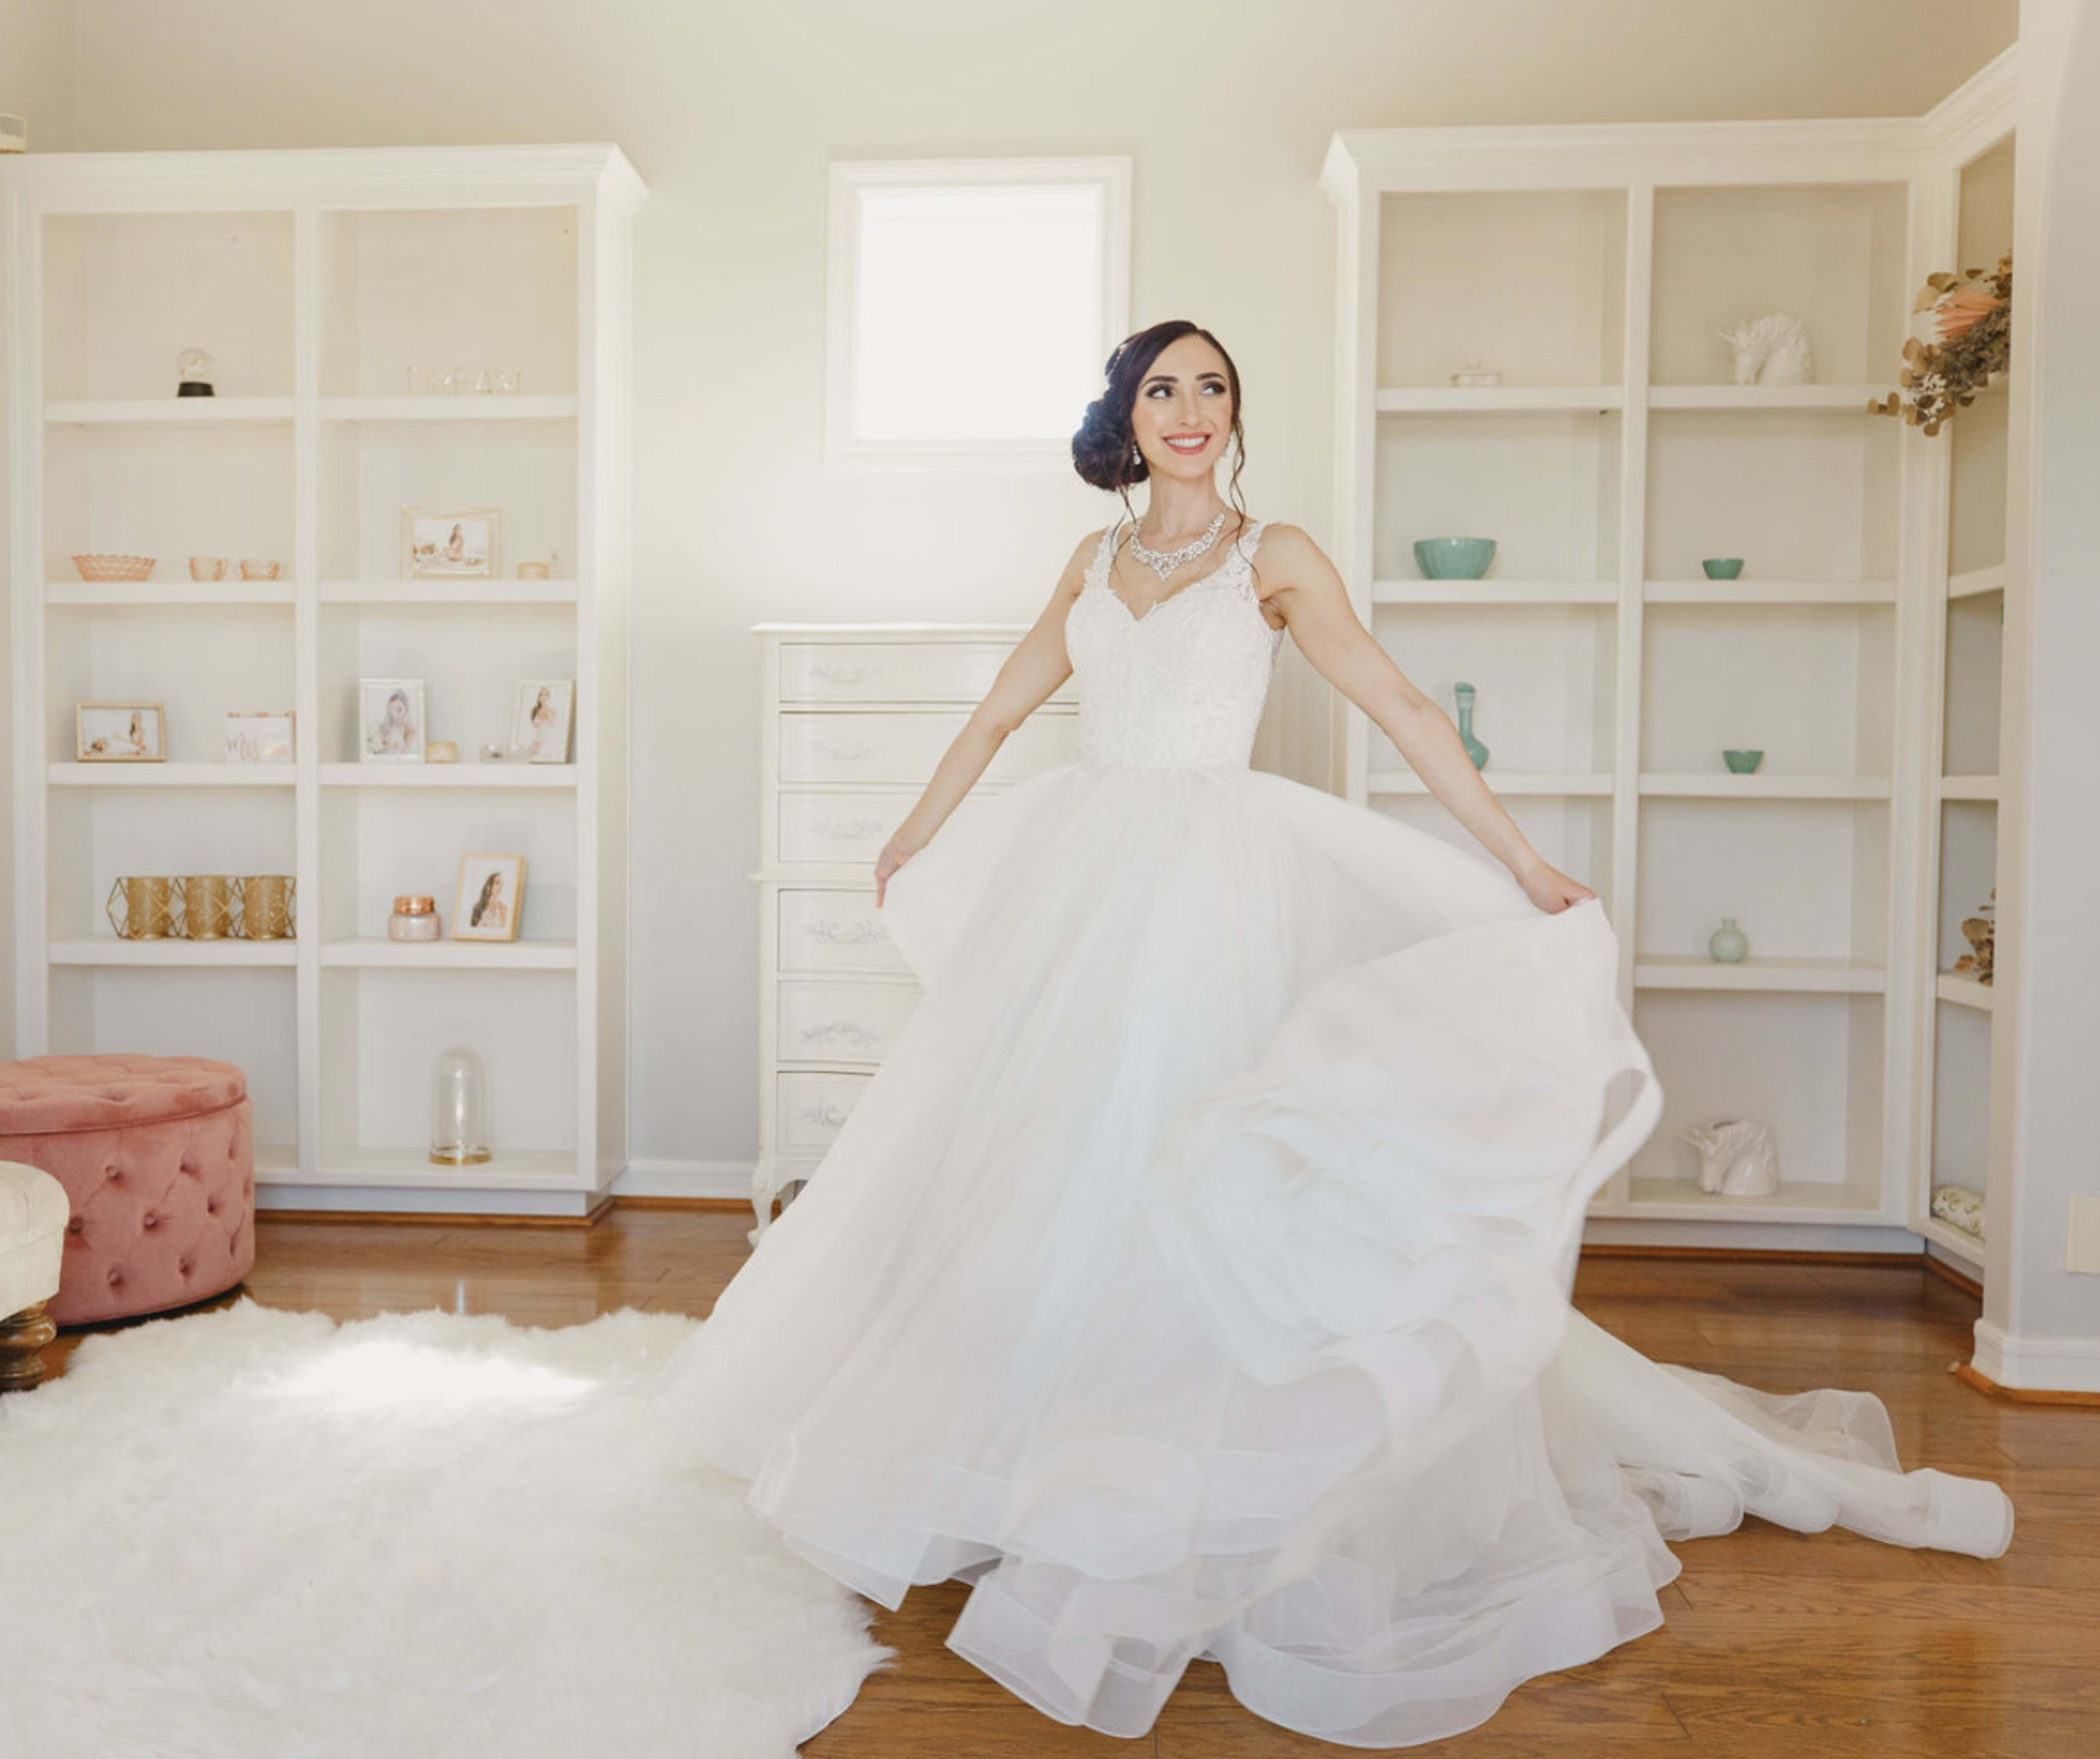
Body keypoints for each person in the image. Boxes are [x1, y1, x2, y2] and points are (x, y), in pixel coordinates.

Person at [647, 320, 2014, 1748]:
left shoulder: (1274, 555)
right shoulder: (1091, 561)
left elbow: (1406, 706)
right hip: (1084, 881)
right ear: (1127, 415)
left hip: (1210, 887)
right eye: (1164, 388)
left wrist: (1525, 864)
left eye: (1214, 388)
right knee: (1051, 1172)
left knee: (1198, 1170)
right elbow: (1001, 710)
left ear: (1237, 414)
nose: (1189, 410)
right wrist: (910, 834)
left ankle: (1211, 1485)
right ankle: (1038, 1469)